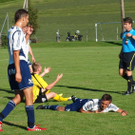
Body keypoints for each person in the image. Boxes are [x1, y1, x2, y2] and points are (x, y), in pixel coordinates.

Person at [0, 9, 46, 132]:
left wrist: (28, 35)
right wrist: (19, 71)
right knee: (28, 95)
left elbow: (21, 48)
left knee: (19, 97)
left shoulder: (11, 31)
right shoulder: (18, 32)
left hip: (11, 65)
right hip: (20, 64)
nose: (28, 21)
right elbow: (17, 52)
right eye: (28, 18)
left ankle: (0, 118)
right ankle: (31, 125)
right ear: (23, 18)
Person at [36, 94, 128, 116]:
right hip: (83, 104)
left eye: (106, 104)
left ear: (109, 103)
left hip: (86, 101)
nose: (104, 106)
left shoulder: (111, 106)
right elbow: (81, 111)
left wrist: (124, 113)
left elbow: (123, 111)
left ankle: (75, 98)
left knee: (80, 100)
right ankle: (46, 106)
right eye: (102, 103)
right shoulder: (93, 104)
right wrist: (94, 113)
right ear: (100, 101)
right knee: (62, 109)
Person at [119, 17, 135, 95]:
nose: (124, 26)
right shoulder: (124, 33)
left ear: (130, 24)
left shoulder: (133, 32)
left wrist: (132, 36)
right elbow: (124, 44)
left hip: (131, 54)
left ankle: (128, 91)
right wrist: (121, 52)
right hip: (124, 54)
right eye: (124, 24)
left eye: (126, 24)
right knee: (121, 73)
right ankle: (133, 83)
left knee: (129, 73)